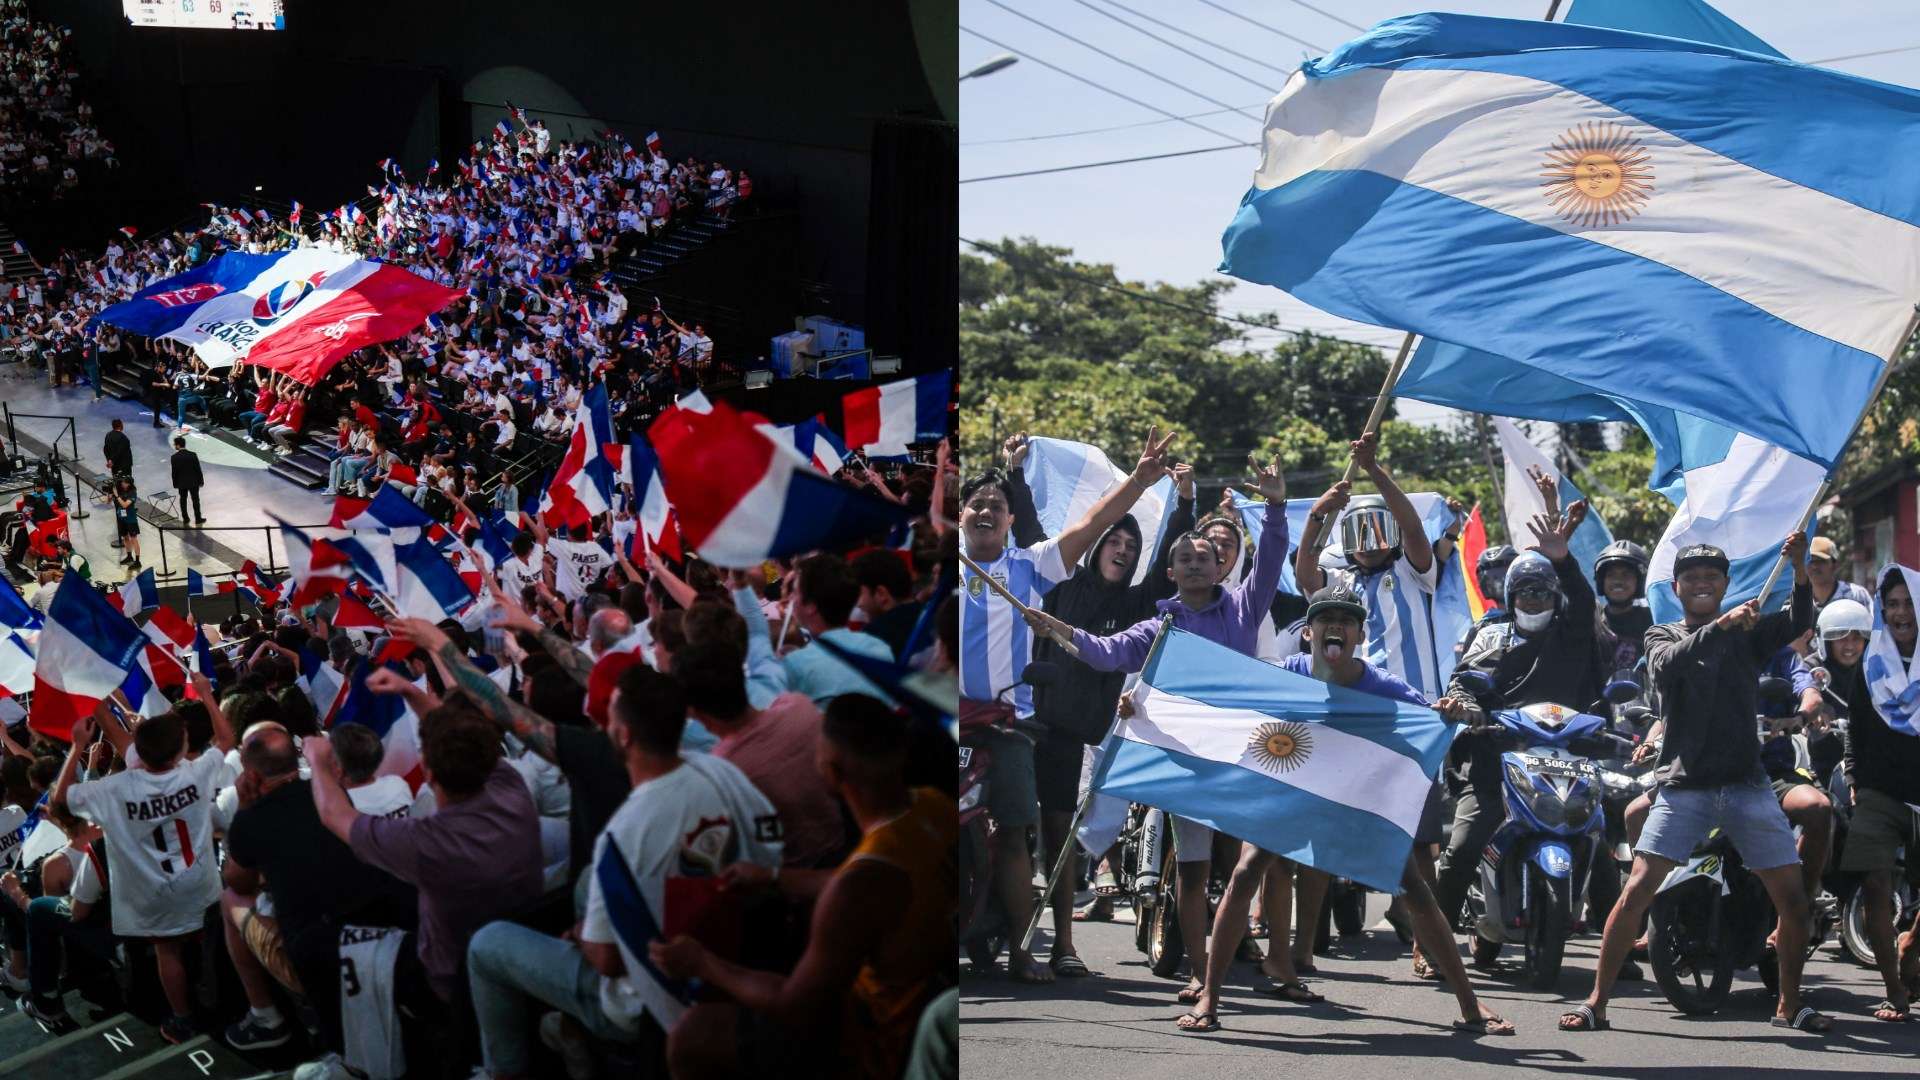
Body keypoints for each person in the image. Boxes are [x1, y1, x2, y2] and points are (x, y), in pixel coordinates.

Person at [1023, 452, 1286, 1009]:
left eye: (1205, 557)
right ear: (1170, 573)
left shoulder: (1243, 610)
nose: (1195, 565)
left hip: (1240, 762)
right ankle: (1198, 974)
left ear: (1221, 568)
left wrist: (1277, 504)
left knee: (1247, 870)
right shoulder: (1159, 623)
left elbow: (1272, 561)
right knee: (1191, 875)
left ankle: (1268, 962)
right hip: (1186, 766)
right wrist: (1060, 631)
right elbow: (1105, 651)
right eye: (1184, 559)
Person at [1560, 535, 1825, 1034]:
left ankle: (1791, 1004)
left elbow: (1798, 620)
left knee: (1791, 901)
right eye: (1694, 577)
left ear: (1726, 584)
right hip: (1685, 788)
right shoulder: (1661, 636)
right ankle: (1596, 1001)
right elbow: (1667, 667)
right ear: (1677, 587)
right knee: (1636, 890)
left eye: (1713, 577)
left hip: (1748, 785)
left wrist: (1799, 569)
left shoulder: (1750, 633)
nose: (1703, 584)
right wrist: (1722, 628)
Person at [466, 663, 781, 1079]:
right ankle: (570, 1030)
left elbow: (608, 961)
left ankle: (504, 1072)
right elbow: (768, 851)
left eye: (611, 712)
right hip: (732, 941)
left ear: (624, 734)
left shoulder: (622, 836)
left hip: (643, 1004)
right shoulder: (719, 769)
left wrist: (584, 937)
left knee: (487, 945)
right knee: (583, 886)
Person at [959, 427, 1174, 985]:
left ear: (1010, 521)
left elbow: (1093, 526)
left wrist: (1139, 480)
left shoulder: (1030, 566)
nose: (986, 510)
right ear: (959, 515)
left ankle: (1023, 949)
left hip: (1009, 728)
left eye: (997, 505)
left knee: (1015, 833)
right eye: (976, 502)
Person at [650, 694, 954, 1080]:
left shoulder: (858, 887)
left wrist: (703, 963)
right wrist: (773, 878)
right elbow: (870, 885)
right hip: (923, 989)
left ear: (831, 770)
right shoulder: (933, 807)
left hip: (873, 1042)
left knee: (692, 1037)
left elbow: (794, 1005)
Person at [1437, 509, 1608, 950]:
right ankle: (1431, 943)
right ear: (1510, 598)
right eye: (1524, 592)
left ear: (1555, 595)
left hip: (1566, 763)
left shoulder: (1572, 636)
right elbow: (1462, 679)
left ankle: (1616, 947)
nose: (1533, 599)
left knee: (1600, 848)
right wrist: (1467, 705)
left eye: (1541, 591)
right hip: (1496, 763)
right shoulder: (1493, 636)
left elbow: (1585, 602)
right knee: (1460, 849)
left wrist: (1564, 560)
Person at [53, 687, 236, 1044]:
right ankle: (228, 1004)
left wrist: (77, 746)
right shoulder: (195, 774)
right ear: (181, 750)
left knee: (167, 953)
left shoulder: (116, 787)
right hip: (199, 881)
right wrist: (205, 691)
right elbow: (227, 737)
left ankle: (182, 1019)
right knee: (213, 941)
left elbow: (60, 803)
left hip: (154, 892)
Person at [1296, 433, 1454, 698]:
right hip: (1357, 703)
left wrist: (1372, 469)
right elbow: (1305, 574)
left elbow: (1414, 530)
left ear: (1394, 535)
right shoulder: (1341, 582)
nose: (1368, 543)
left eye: (1379, 530)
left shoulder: (1413, 573)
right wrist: (1317, 514)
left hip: (1413, 703)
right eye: (1359, 532)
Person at [1846, 573, 1920, 1021]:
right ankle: (1894, 990)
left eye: (1908, 604)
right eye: (1891, 604)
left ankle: (1911, 941)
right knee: (1874, 885)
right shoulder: (1871, 663)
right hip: (1878, 789)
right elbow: (1855, 724)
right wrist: (1854, 776)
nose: (1900, 613)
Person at [1594, 540, 1652, 672]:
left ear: (1639, 581)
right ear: (1601, 581)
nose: (1618, 581)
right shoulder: (1592, 622)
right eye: (1611, 575)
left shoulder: (1653, 622)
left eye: (1626, 575)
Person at [1807, 537, 1872, 613]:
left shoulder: (1856, 595)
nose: (1814, 566)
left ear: (1835, 565)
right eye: (1810, 561)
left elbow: (1872, 622)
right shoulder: (1799, 599)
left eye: (1821, 561)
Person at [171, 434, 205, 525]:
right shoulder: (192, 455)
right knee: (195, 500)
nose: (175, 446)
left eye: (175, 444)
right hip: (193, 482)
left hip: (181, 483)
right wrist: (201, 481)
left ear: (178, 445)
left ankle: (185, 518)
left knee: (183, 500)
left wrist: (175, 483)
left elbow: (174, 472)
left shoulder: (174, 457)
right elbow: (198, 469)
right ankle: (198, 518)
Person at [112, 473, 141, 568]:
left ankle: (137, 561)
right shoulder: (121, 489)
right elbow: (108, 501)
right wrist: (110, 494)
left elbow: (125, 505)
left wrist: (117, 496)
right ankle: (129, 556)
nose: (122, 484)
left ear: (128, 484)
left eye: (124, 482)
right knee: (125, 538)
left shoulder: (132, 492)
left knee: (134, 539)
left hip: (130, 519)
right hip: (121, 518)